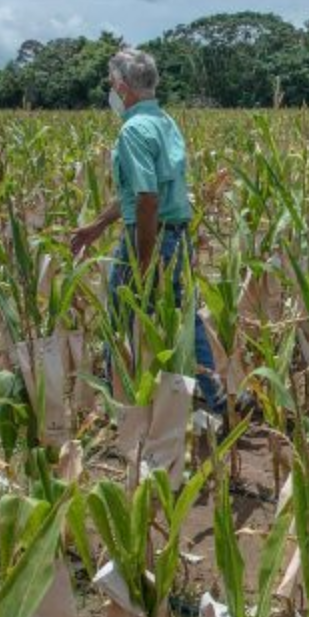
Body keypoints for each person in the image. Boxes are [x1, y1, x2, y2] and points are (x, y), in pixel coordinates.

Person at [70, 47, 226, 415]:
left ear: (122, 87)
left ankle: (119, 402)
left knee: (121, 316)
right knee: (182, 315)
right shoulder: (165, 122)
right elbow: (138, 193)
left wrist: (143, 261)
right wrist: (97, 226)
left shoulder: (133, 130)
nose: (111, 91)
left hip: (152, 238)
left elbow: (147, 199)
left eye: (111, 84)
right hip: (177, 235)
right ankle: (215, 397)